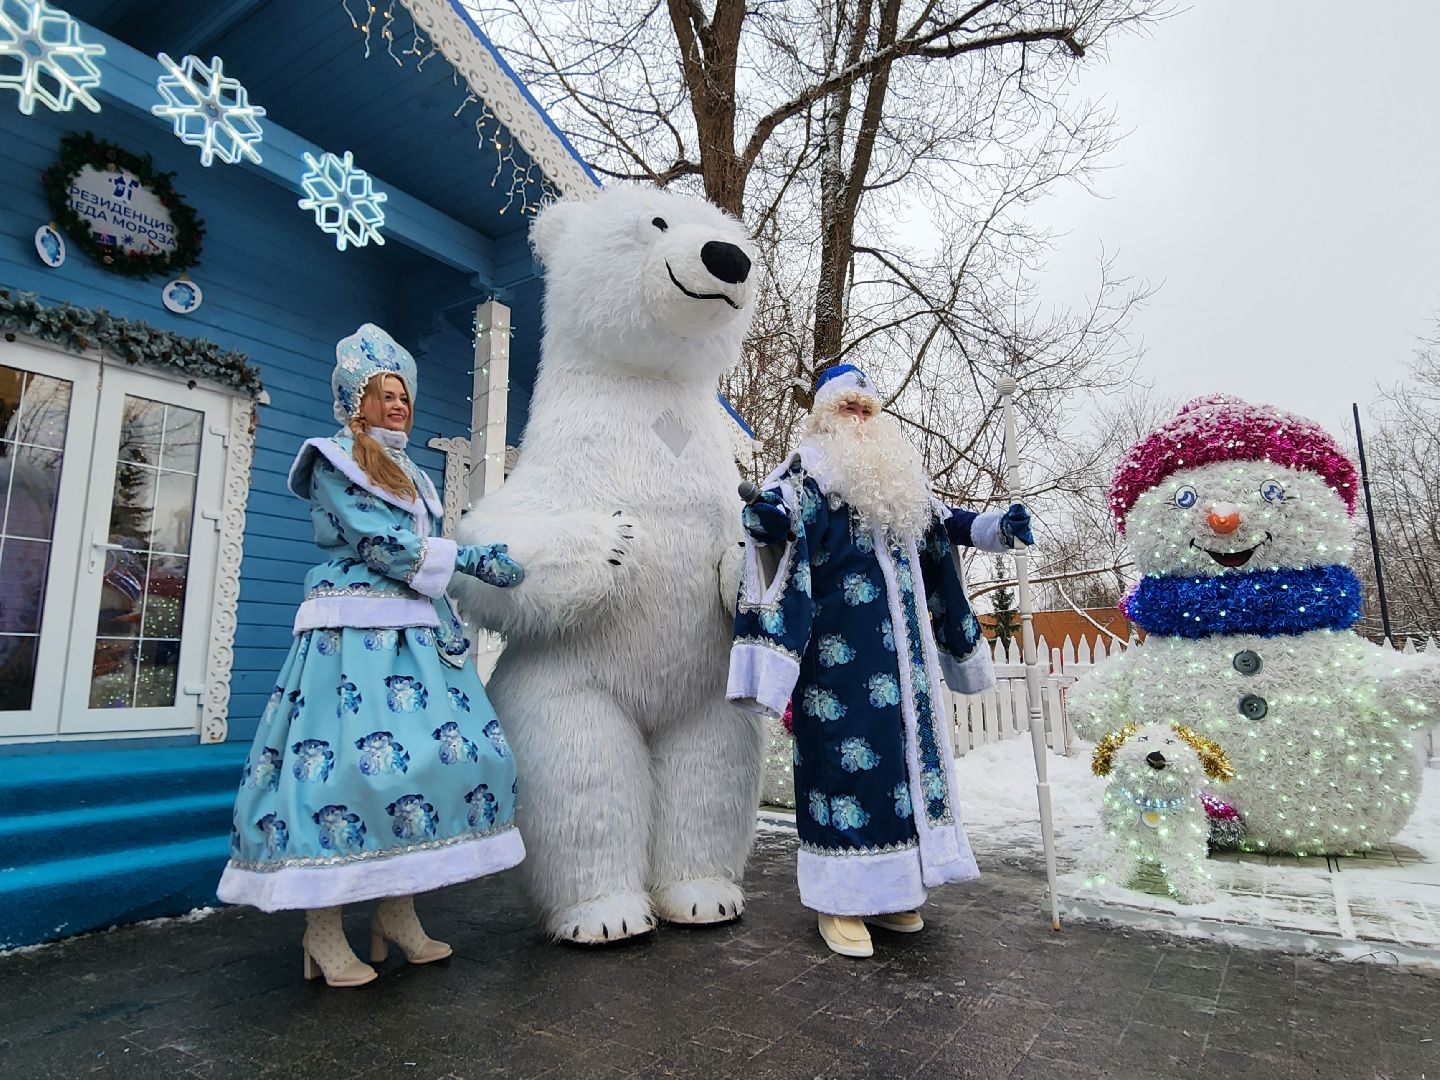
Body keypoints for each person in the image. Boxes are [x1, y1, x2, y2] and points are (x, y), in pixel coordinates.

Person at [218, 324, 527, 987]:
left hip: (414, 638)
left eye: (404, 396)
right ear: (354, 401)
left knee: (424, 768)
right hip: (351, 641)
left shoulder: (412, 471)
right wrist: (474, 560)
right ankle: (323, 930)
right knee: (342, 775)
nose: (397, 406)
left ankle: (396, 912)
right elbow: (381, 545)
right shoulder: (333, 460)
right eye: (383, 395)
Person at [727, 364, 1033, 958]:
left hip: (907, 665)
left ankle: (893, 890)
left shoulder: (899, 486)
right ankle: (840, 899)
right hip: (838, 664)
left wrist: (997, 527)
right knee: (845, 769)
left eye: (868, 410)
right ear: (823, 418)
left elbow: (946, 523)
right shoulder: (806, 481)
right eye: (848, 410)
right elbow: (778, 525)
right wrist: (764, 524)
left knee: (900, 774)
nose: (861, 420)